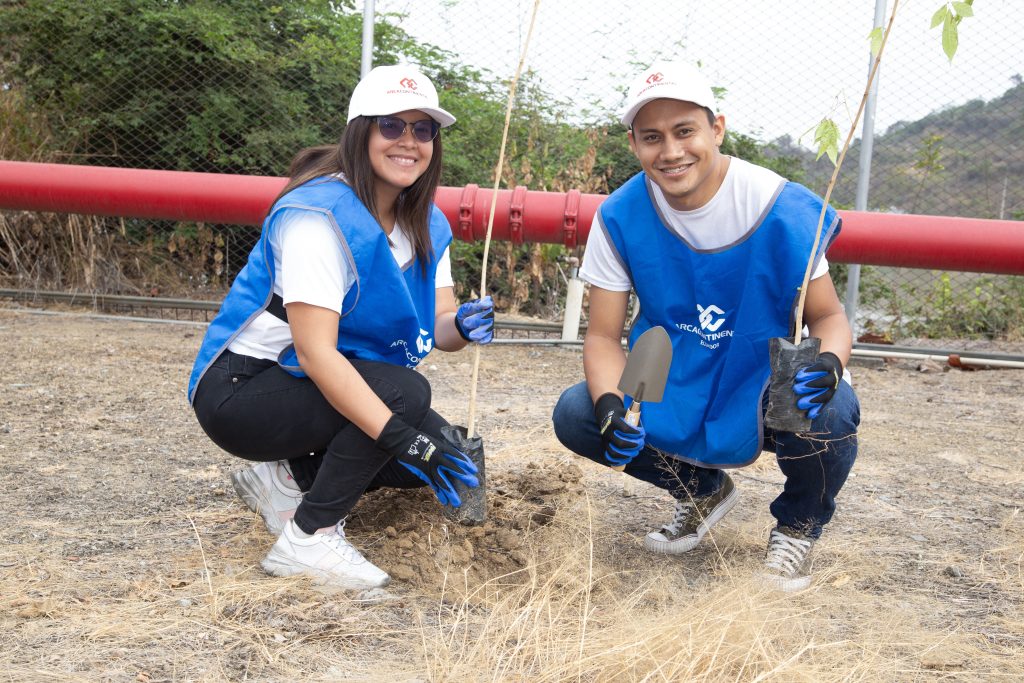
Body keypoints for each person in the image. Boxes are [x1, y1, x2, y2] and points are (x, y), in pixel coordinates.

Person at [551, 61, 860, 592]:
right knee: (578, 413)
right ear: (634, 143)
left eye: (685, 131)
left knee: (830, 409)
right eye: (652, 138)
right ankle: (700, 490)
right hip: (678, 375)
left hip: (759, 377)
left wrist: (829, 362)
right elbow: (603, 335)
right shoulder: (620, 214)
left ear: (716, 128)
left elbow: (829, 318)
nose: (670, 152)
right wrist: (609, 403)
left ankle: (798, 526)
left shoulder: (779, 206)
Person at [187, 64, 494, 590]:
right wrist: (404, 439)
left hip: (312, 386)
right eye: (392, 126)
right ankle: (309, 537)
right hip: (243, 392)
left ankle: (289, 478)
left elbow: (441, 328)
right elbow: (316, 355)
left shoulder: (426, 222)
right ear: (361, 132)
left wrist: (462, 326)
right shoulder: (318, 217)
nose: (409, 141)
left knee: (452, 451)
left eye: (424, 129)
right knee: (403, 401)